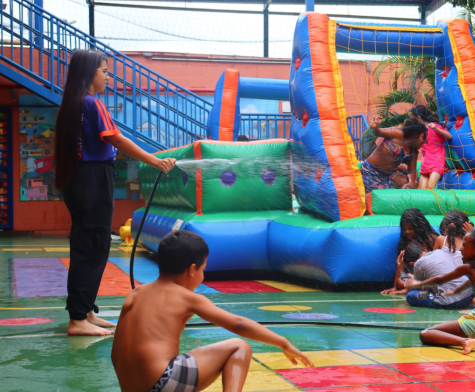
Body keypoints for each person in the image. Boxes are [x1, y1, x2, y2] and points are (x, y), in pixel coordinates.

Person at [53, 50, 176, 336]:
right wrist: (154, 160)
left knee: (90, 244)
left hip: (80, 180)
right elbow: (116, 139)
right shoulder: (92, 104)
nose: (108, 77)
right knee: (92, 246)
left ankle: (83, 311)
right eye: (104, 71)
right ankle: (77, 320)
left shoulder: (73, 104)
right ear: (90, 73)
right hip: (93, 179)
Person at [112, 231, 314, 392]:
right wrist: (284, 343)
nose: (202, 275)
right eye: (203, 270)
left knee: (179, 365)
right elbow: (239, 324)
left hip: (130, 387)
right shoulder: (187, 297)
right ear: (192, 270)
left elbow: (115, 355)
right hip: (163, 382)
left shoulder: (135, 294)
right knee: (238, 347)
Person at [406, 229, 475, 354]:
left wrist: (418, 283)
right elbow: (471, 283)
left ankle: (464, 342)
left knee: (426, 333)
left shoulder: (470, 268)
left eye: (464, 245)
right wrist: (455, 291)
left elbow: (439, 280)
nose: (461, 249)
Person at [361, 115, 427, 193]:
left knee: (412, 185)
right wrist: (374, 127)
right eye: (424, 137)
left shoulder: (413, 152)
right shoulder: (398, 133)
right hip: (371, 171)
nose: (425, 141)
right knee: (381, 196)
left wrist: (411, 183)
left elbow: (411, 172)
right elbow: (377, 132)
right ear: (416, 135)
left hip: (389, 175)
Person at [382, 208, 439, 295]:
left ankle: (418, 288)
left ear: (418, 228)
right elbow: (401, 264)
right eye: (404, 229)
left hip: (432, 276)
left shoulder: (430, 239)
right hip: (416, 277)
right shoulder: (407, 241)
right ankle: (416, 287)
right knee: (400, 282)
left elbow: (436, 264)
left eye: (410, 228)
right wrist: (395, 287)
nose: (407, 232)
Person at [405, 241, 475, 310]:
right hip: (469, 294)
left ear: (412, 263)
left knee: (411, 295)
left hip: (450, 302)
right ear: (425, 250)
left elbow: (418, 288)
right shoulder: (440, 252)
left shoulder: (418, 263)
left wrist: (409, 280)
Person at [407, 105, 452, 189]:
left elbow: (449, 136)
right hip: (425, 163)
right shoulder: (418, 132)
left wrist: (437, 129)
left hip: (437, 162)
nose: (411, 121)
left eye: (412, 119)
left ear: (419, 118)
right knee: (421, 191)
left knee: (430, 187)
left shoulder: (434, 126)